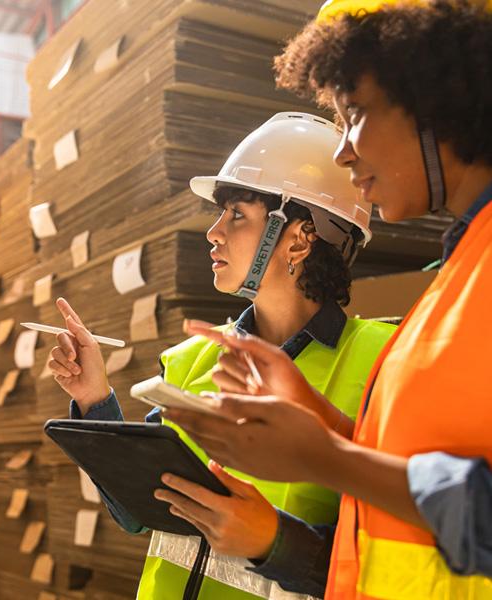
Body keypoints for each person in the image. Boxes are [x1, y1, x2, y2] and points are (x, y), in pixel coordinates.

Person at [164, 1, 492, 598]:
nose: (344, 152)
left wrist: (324, 458)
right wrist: (322, 419)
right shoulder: (462, 269)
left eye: (356, 113)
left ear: (433, 93)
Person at [47, 113, 396, 599]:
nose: (212, 232)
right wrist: (94, 399)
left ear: (298, 237)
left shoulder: (382, 364)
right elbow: (135, 514)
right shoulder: (192, 356)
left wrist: (272, 542)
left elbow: (391, 561)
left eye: (236, 214)